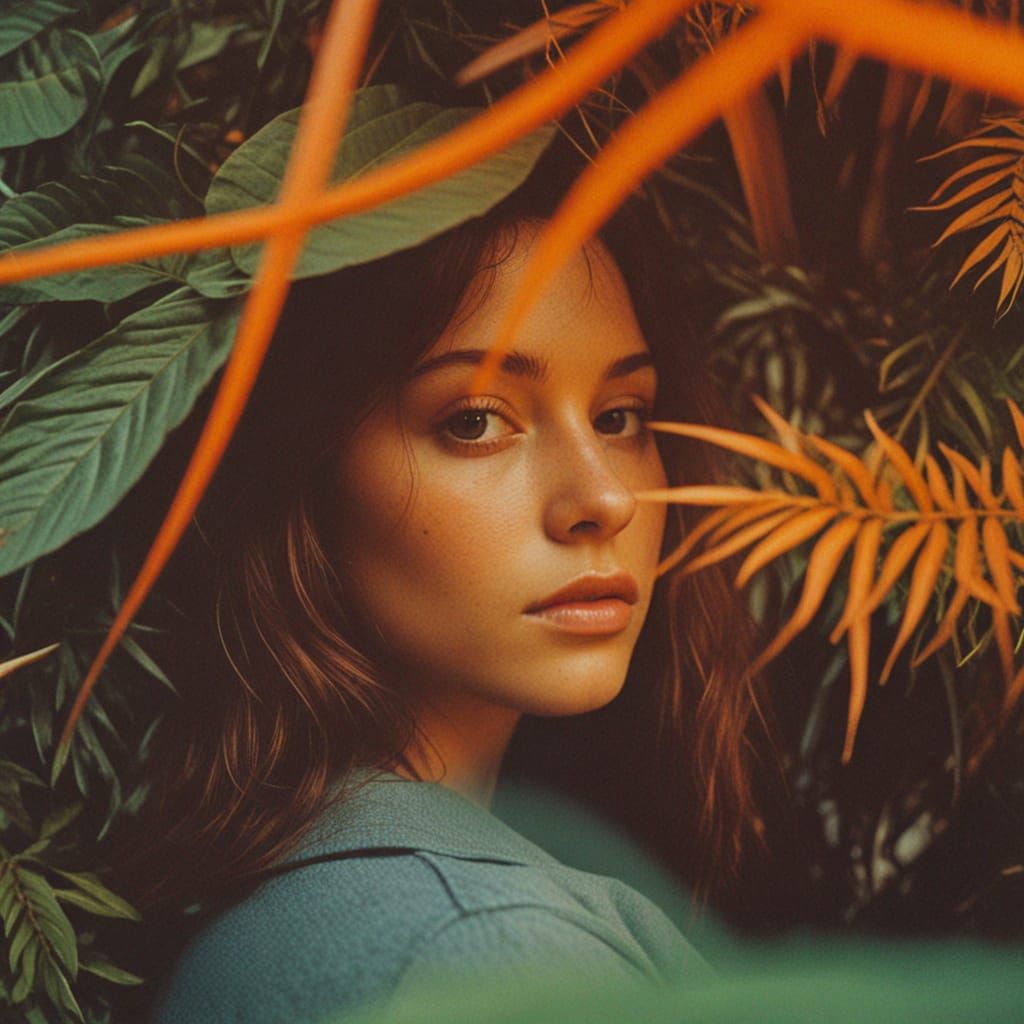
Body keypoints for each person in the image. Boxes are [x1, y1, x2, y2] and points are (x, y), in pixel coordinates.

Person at [108, 133, 775, 1023]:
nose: (605, 497)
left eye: (620, 415)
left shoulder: (278, 901)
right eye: (474, 422)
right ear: (304, 472)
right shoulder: (485, 951)